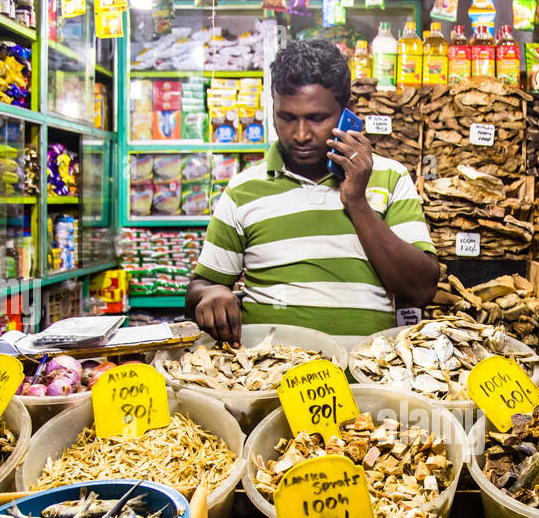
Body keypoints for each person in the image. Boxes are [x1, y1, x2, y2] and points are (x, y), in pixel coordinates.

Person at [187, 39, 439, 341]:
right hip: (270, 381)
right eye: (287, 117)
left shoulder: (390, 177)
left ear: (349, 111)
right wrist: (212, 293)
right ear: (273, 109)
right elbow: (199, 288)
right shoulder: (243, 189)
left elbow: (420, 289)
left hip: (364, 380)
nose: (301, 134)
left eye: (317, 118)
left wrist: (357, 201)